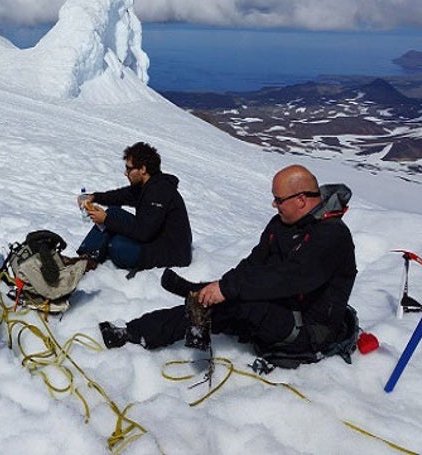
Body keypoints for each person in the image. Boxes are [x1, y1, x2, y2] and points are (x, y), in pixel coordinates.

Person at [99, 165, 357, 365]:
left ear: (301, 200)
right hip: (282, 307)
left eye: (278, 199)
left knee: (236, 304)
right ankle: (135, 331)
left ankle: (142, 332)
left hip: (311, 332)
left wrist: (228, 289)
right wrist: (220, 287)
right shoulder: (282, 225)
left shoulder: (331, 236)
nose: (273, 204)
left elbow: (289, 278)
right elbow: (255, 264)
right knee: (222, 300)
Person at [77, 142, 192, 271]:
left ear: (142, 169)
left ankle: (89, 260)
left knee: (116, 245)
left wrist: (106, 220)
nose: (126, 173)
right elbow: (121, 196)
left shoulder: (159, 192)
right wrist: (94, 197)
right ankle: (86, 258)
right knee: (113, 212)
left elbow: (144, 232)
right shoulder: (146, 185)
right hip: (155, 239)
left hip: (170, 253)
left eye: (129, 169)